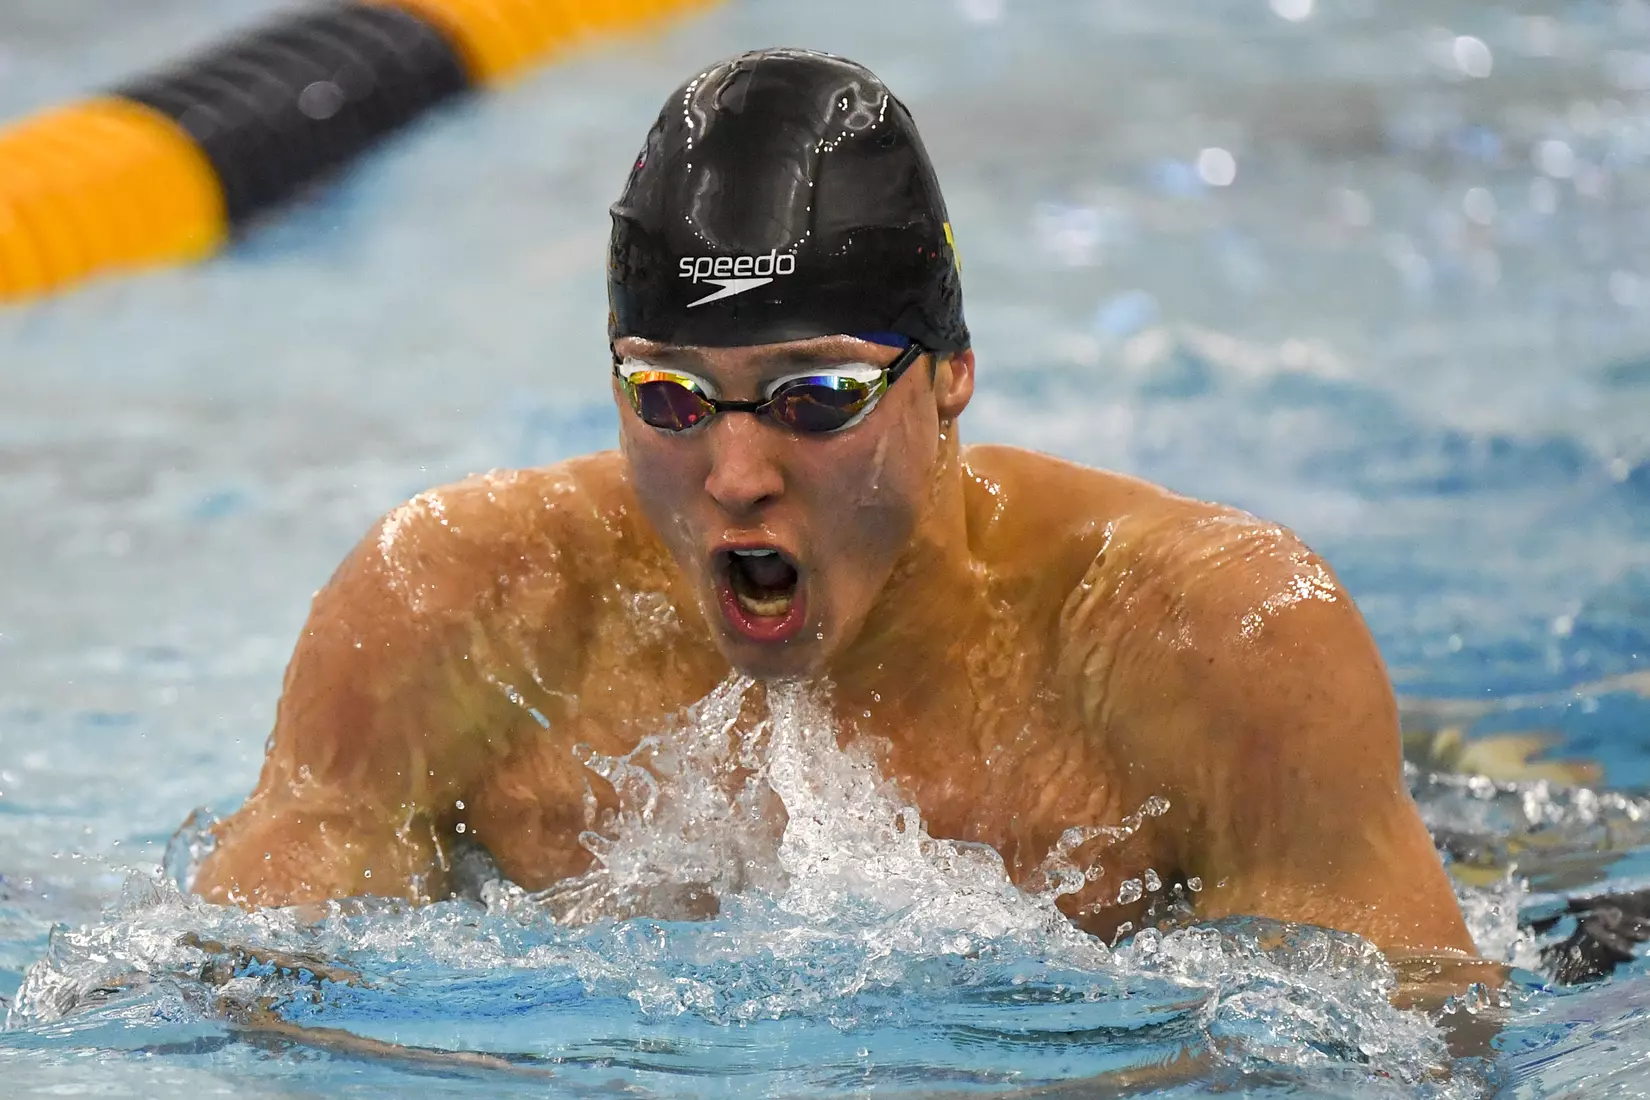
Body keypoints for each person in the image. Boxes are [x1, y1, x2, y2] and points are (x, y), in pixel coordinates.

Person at [192, 47, 1475, 961]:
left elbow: (1412, 1043)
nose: (737, 474)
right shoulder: (459, 606)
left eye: (814, 397)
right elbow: (229, 994)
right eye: (674, 398)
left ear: (953, 372)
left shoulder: (1208, 642)